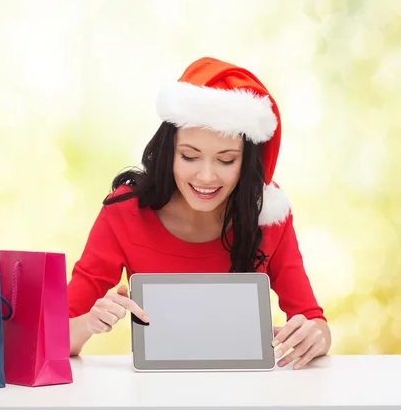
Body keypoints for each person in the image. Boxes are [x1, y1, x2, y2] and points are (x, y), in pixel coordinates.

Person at [67, 57, 331, 370]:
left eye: (226, 160)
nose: (206, 177)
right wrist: (90, 322)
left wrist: (314, 337)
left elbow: (316, 322)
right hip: (153, 396)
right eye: (190, 156)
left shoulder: (269, 216)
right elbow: (57, 334)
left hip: (246, 395)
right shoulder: (125, 211)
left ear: (246, 163)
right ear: (169, 152)